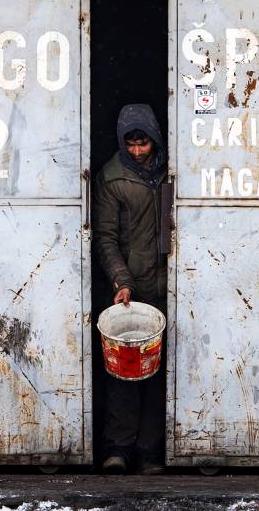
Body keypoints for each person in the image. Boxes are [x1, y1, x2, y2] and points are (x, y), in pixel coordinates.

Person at [93, 103, 168, 475]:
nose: (139, 151)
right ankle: (117, 450)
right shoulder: (112, 177)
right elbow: (105, 238)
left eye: (145, 143)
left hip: (167, 288)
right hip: (132, 291)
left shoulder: (173, 170)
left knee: (158, 375)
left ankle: (150, 453)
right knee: (123, 372)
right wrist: (122, 280)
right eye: (132, 144)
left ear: (154, 137)